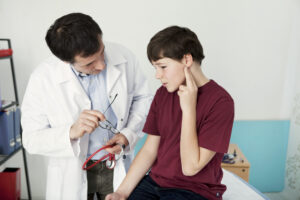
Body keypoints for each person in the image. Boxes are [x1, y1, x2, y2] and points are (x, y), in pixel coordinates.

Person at [21, 13, 152, 200]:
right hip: (73, 174)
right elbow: (31, 140)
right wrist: (71, 132)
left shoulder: (124, 56)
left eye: (102, 52)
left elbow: (143, 99)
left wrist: (128, 134)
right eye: (90, 63)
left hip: (117, 166)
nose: (102, 65)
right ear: (66, 61)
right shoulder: (42, 79)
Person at [105, 26, 235, 200]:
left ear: (187, 60)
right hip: (154, 183)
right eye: (155, 67)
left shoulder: (221, 102)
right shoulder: (162, 94)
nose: (157, 75)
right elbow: (150, 149)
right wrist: (121, 192)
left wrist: (188, 109)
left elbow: (190, 167)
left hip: (195, 190)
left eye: (163, 66)